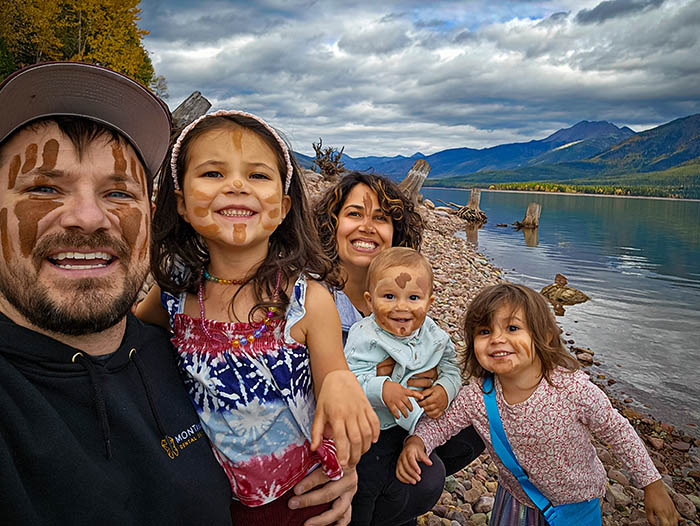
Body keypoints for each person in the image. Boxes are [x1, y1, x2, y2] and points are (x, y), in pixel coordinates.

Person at [0, 62, 359, 526]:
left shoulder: (157, 343)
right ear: (183, 206)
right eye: (45, 187)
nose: (87, 217)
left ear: (150, 214)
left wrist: (336, 464)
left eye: (118, 193)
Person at [136, 109, 379, 524]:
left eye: (258, 176)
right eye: (212, 173)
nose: (235, 186)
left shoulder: (307, 300)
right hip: (209, 492)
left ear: (283, 207)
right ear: (180, 201)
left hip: (298, 492)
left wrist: (341, 384)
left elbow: (333, 372)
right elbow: (133, 335)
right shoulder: (176, 291)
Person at [397, 283, 680, 526]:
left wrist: (651, 484)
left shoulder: (572, 389)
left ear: (543, 336)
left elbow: (617, 431)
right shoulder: (477, 397)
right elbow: (443, 423)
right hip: (517, 498)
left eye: (512, 328)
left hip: (577, 503)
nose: (497, 339)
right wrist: (418, 441)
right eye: (484, 331)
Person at [313, 172, 485, 525]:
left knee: (481, 417)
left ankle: (398, 482)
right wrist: (380, 379)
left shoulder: (413, 310)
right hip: (348, 428)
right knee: (422, 479)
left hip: (406, 419)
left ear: (396, 231)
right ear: (333, 224)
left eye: (380, 218)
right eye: (354, 214)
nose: (367, 227)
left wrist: (440, 385)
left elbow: (448, 366)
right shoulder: (313, 298)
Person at [344, 247, 462, 525]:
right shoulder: (364, 335)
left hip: (411, 427)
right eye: (389, 297)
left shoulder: (435, 335)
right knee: (364, 487)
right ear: (369, 300)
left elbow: (452, 368)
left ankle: (400, 515)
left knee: (405, 480)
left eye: (413, 298)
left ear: (429, 301)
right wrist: (381, 387)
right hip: (370, 433)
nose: (401, 307)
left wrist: (445, 389)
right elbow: (348, 378)